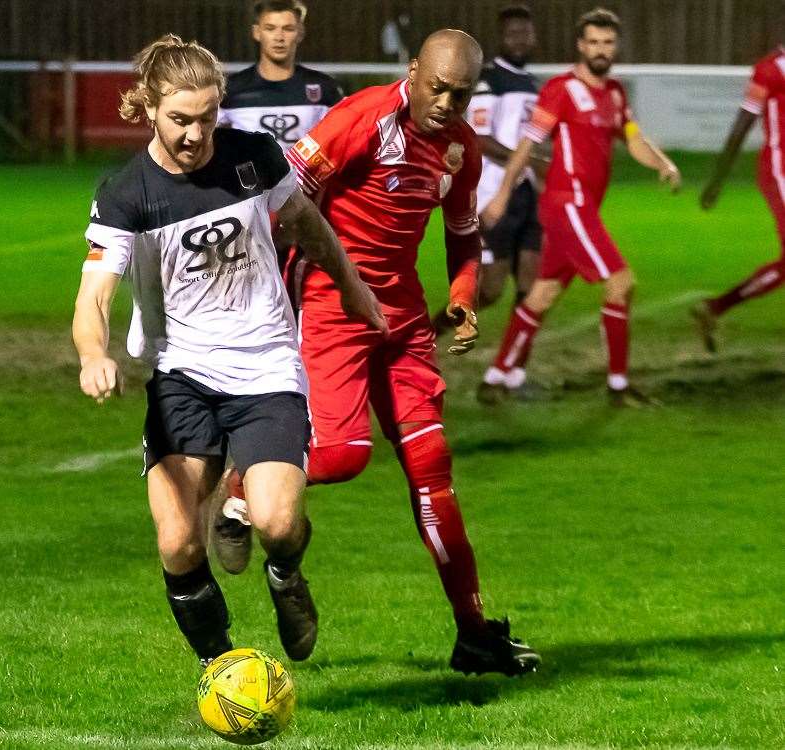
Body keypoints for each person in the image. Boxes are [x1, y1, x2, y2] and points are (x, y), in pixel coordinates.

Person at [215, 29, 541, 677]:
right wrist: (275, 292)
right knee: (342, 456)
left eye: (461, 93)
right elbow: (284, 201)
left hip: (404, 319)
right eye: (437, 87)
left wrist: (463, 295)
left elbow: (463, 231)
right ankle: (238, 486)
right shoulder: (360, 121)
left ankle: (473, 633)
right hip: (335, 305)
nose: (446, 103)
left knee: (432, 466)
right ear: (412, 71)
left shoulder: (458, 149)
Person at [72, 34, 385, 666]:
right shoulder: (126, 193)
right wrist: (92, 355)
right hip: (180, 375)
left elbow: (306, 224)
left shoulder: (254, 159)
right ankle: (224, 671)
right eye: (179, 119)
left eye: (207, 117)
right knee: (179, 542)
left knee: (274, 522)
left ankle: (287, 577)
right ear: (148, 108)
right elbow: (93, 298)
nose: (194, 134)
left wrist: (352, 289)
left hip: (267, 366)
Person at [479, 8, 682, 407]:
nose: (601, 50)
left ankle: (496, 376)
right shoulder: (560, 89)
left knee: (542, 294)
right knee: (621, 282)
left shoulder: (616, 94)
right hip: (566, 204)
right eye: (593, 42)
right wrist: (503, 193)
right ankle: (619, 387)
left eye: (607, 43)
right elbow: (527, 145)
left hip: (584, 208)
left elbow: (634, 139)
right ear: (580, 45)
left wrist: (664, 163)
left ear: (615, 46)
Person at [694, 16, 785, 351]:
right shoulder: (770, 70)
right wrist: (717, 179)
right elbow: (742, 125)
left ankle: (713, 309)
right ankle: (715, 308)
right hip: (780, 171)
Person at [466, 4, 546, 314]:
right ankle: (430, 334)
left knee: (531, 282)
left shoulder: (530, 83)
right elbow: (479, 138)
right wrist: (527, 160)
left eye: (525, 34)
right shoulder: (489, 80)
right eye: (513, 34)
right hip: (493, 193)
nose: (520, 40)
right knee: (490, 289)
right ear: (501, 38)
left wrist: (538, 164)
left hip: (526, 193)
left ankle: (512, 360)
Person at [217, 0, 343, 153]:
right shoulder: (231, 88)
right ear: (257, 32)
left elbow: (343, 143)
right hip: (251, 176)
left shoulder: (324, 87)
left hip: (306, 176)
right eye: (270, 28)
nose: (279, 37)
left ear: (300, 32)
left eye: (288, 29)